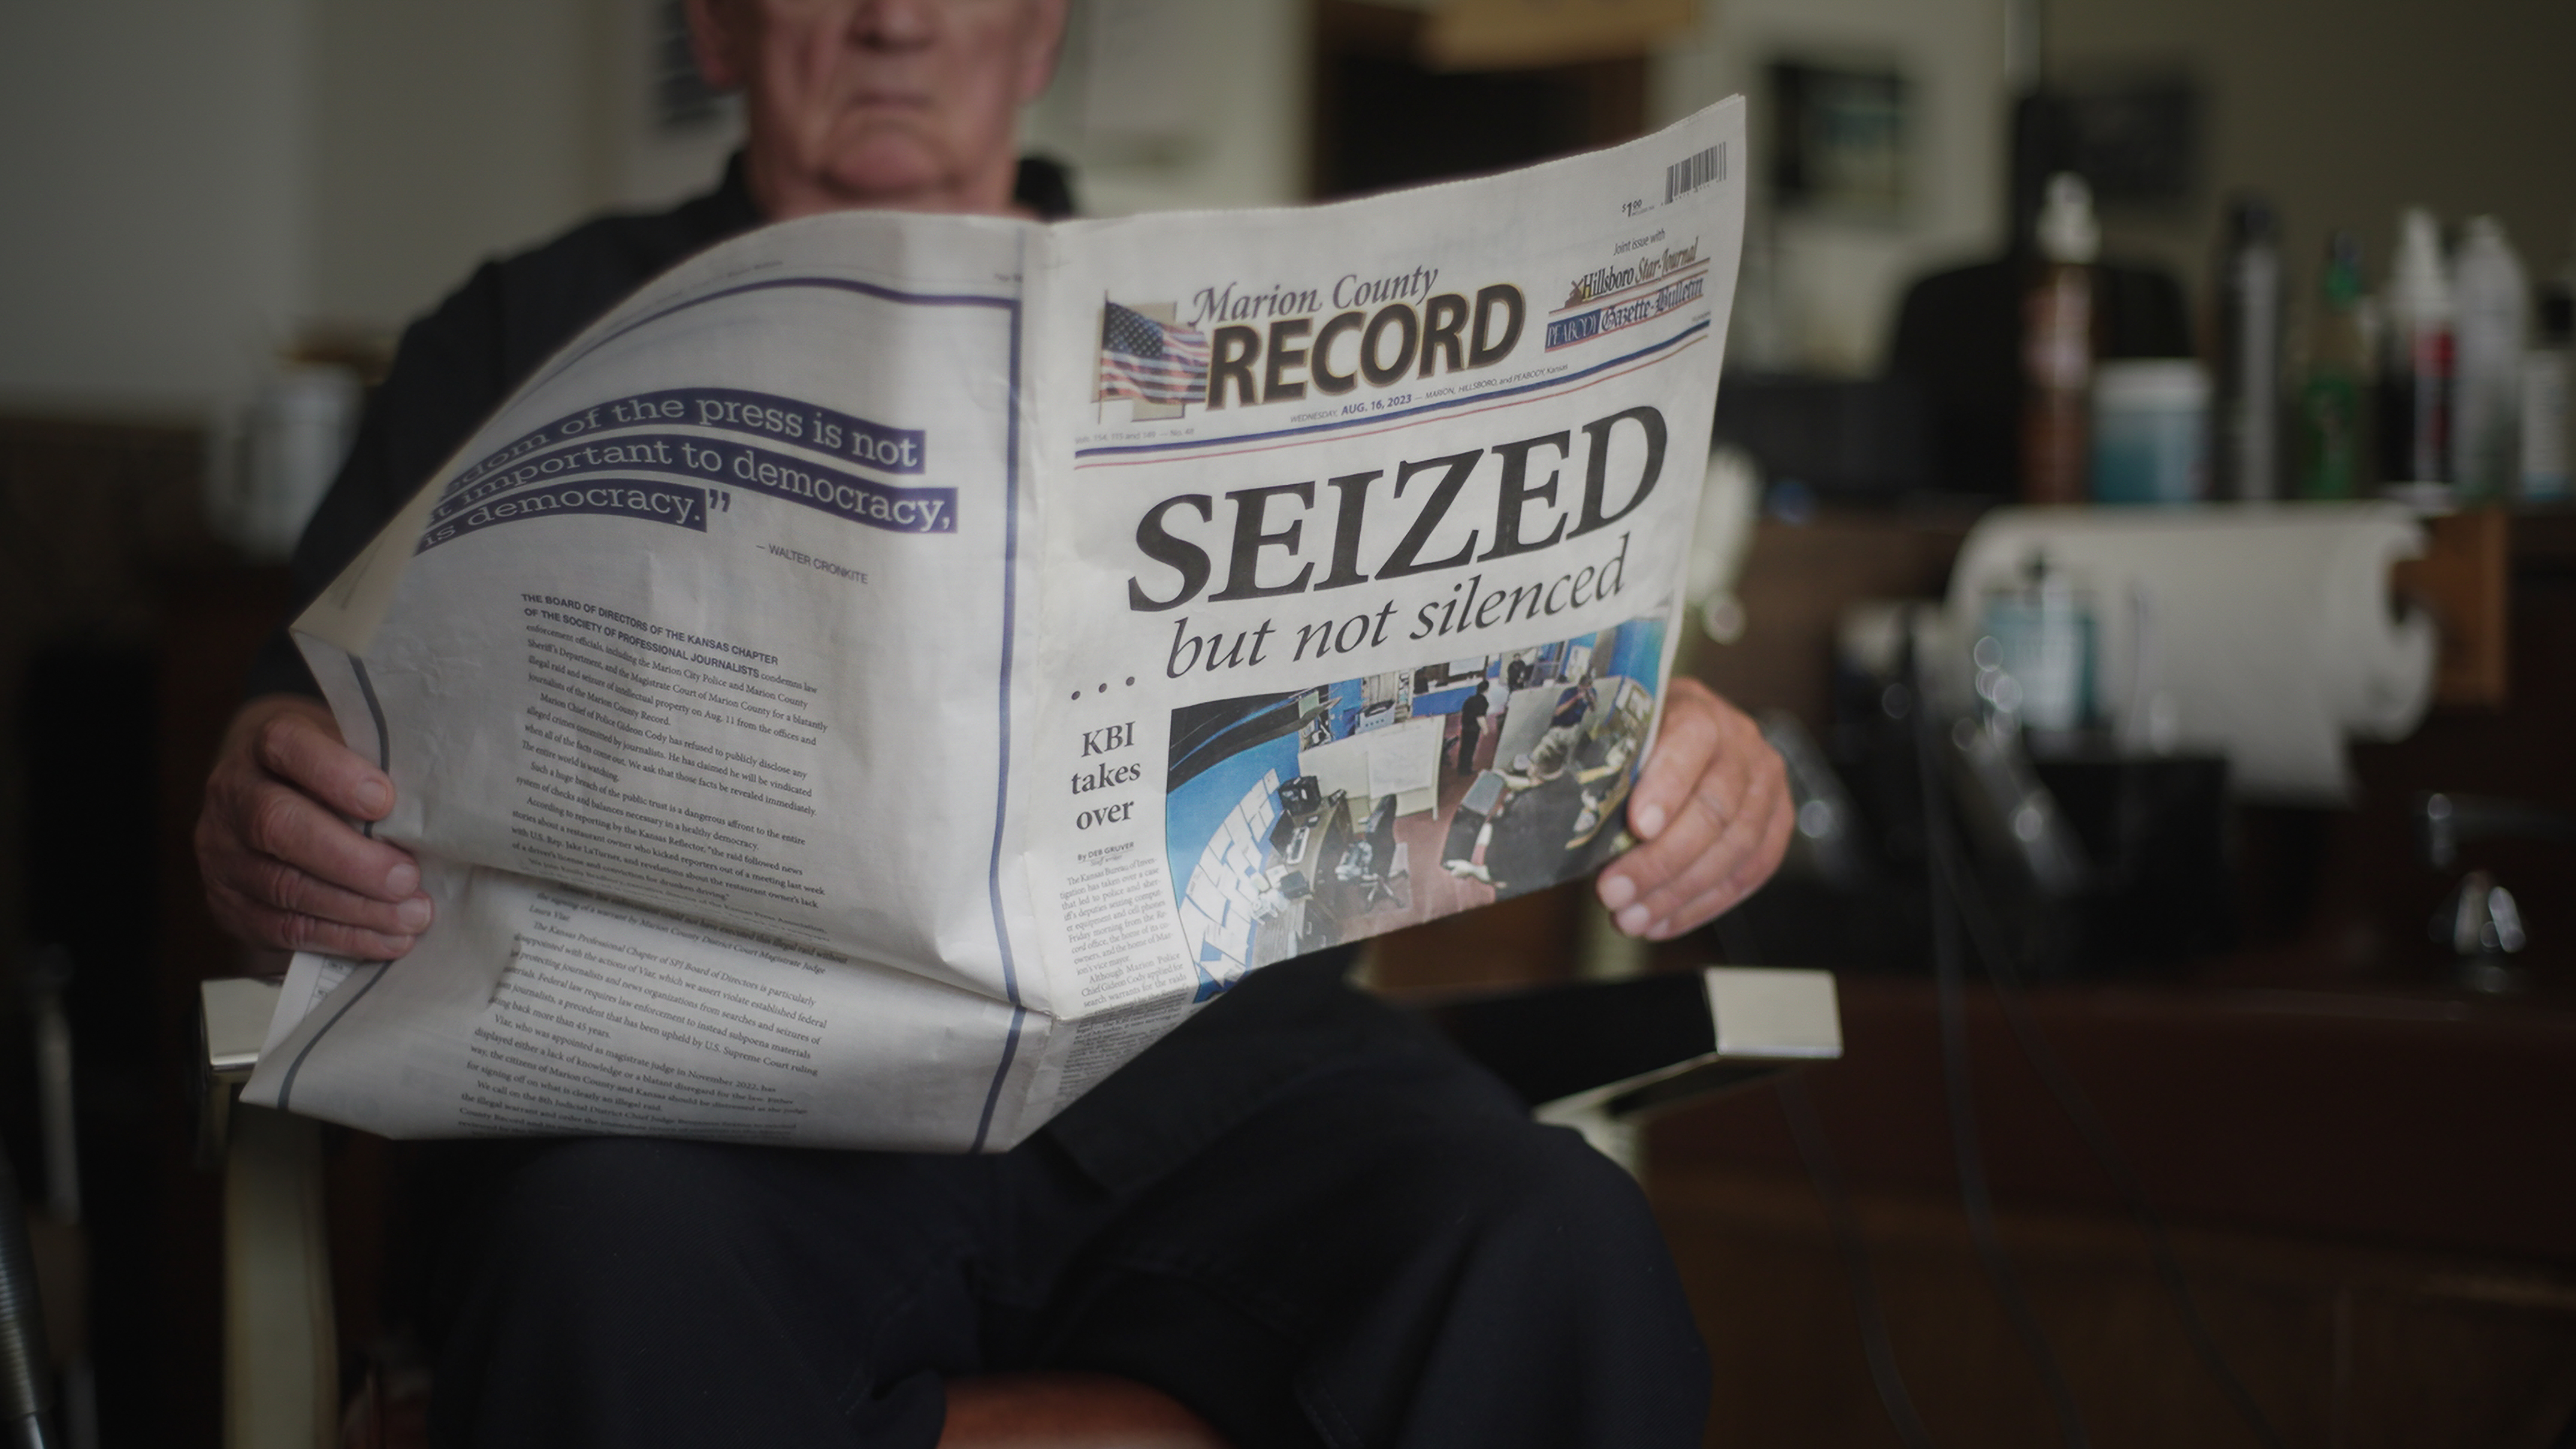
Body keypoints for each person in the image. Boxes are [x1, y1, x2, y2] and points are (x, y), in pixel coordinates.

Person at [192, 2, 1795, 1444]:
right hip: (703, 1126)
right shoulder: (517, 330)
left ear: (1042, 32)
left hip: (1219, 1097)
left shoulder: (1226, 314)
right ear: (719, 24)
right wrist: (271, 816)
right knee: (601, 1273)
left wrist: (1660, 732)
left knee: (1549, 1244)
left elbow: (1496, 681)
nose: (894, 21)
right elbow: (306, 738)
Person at [1452, 680, 1490, 776]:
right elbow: (1480, 717)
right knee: (1470, 749)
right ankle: (1466, 770)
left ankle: (1461, 768)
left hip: (1465, 727)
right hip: (1473, 729)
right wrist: (1485, 729)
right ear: (1486, 690)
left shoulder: (1470, 699)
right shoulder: (1483, 702)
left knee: (1464, 748)